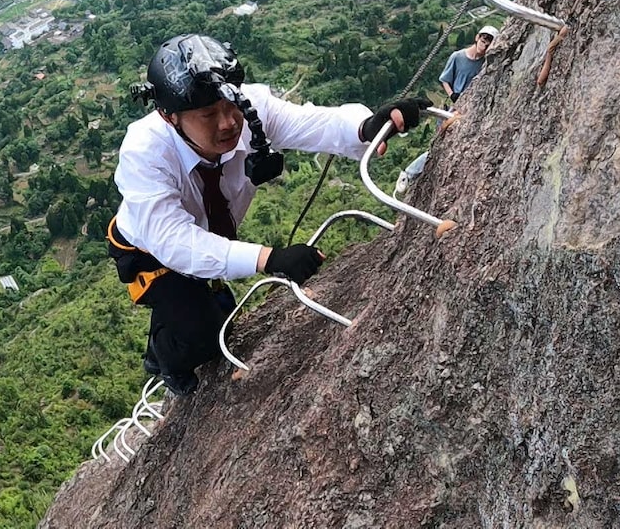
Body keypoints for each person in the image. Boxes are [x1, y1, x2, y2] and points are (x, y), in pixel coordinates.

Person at [107, 34, 430, 396]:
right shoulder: (145, 151)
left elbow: (311, 124)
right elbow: (174, 241)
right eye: (208, 114)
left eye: (229, 105)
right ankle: (161, 358)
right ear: (170, 116)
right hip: (149, 250)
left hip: (209, 233)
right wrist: (268, 258)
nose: (228, 122)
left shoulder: (250, 109)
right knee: (201, 338)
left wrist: (367, 127)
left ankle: (200, 309)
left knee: (222, 317)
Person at [439, 24, 499, 103]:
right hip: (455, 101)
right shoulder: (457, 56)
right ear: (477, 38)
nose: (483, 47)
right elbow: (445, 79)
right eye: (483, 42)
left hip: (473, 103)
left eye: (487, 45)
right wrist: (452, 95)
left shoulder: (487, 63)